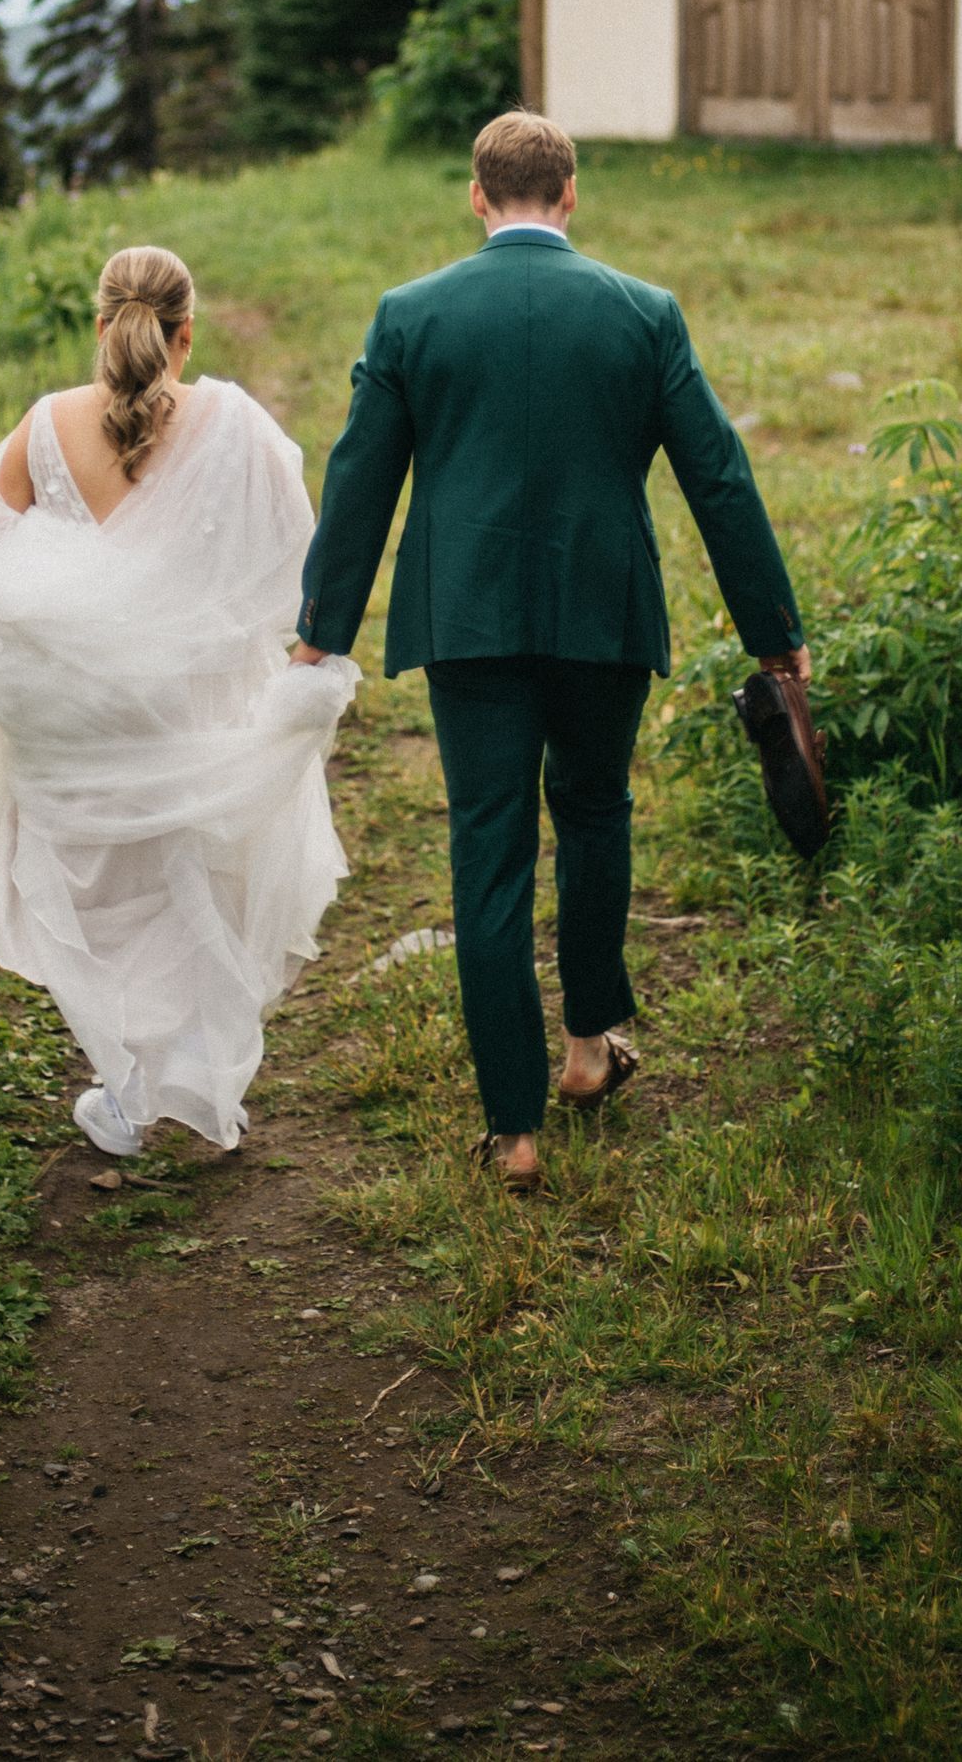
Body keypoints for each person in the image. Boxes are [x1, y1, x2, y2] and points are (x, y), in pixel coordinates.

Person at [293, 112, 806, 1193]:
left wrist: (321, 632)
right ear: (571, 194)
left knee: (489, 846)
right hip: (601, 619)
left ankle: (511, 1133)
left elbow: (361, 482)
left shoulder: (410, 317)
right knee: (593, 813)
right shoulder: (643, 314)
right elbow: (720, 478)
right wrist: (775, 633)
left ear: (478, 199)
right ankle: (586, 1052)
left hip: (467, 624)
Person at [0, 245, 356, 1156]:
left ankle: (128, 1081)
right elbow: (297, 561)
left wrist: (66, 607)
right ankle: (196, 1072)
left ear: (101, 327)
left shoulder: (43, 425)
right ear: (186, 333)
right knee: (187, 874)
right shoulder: (238, 423)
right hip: (184, 703)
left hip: (69, 715)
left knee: (88, 890)